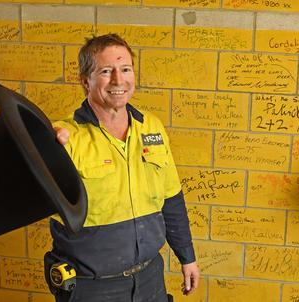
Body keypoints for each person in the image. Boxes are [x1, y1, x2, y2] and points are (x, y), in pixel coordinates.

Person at [44, 33, 200, 301]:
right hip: (93, 287)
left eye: (125, 69)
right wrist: (44, 149)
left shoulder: (151, 127)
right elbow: (23, 190)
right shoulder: (64, 138)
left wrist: (187, 258)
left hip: (150, 278)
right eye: (106, 71)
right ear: (85, 80)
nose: (118, 80)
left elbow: (171, 199)